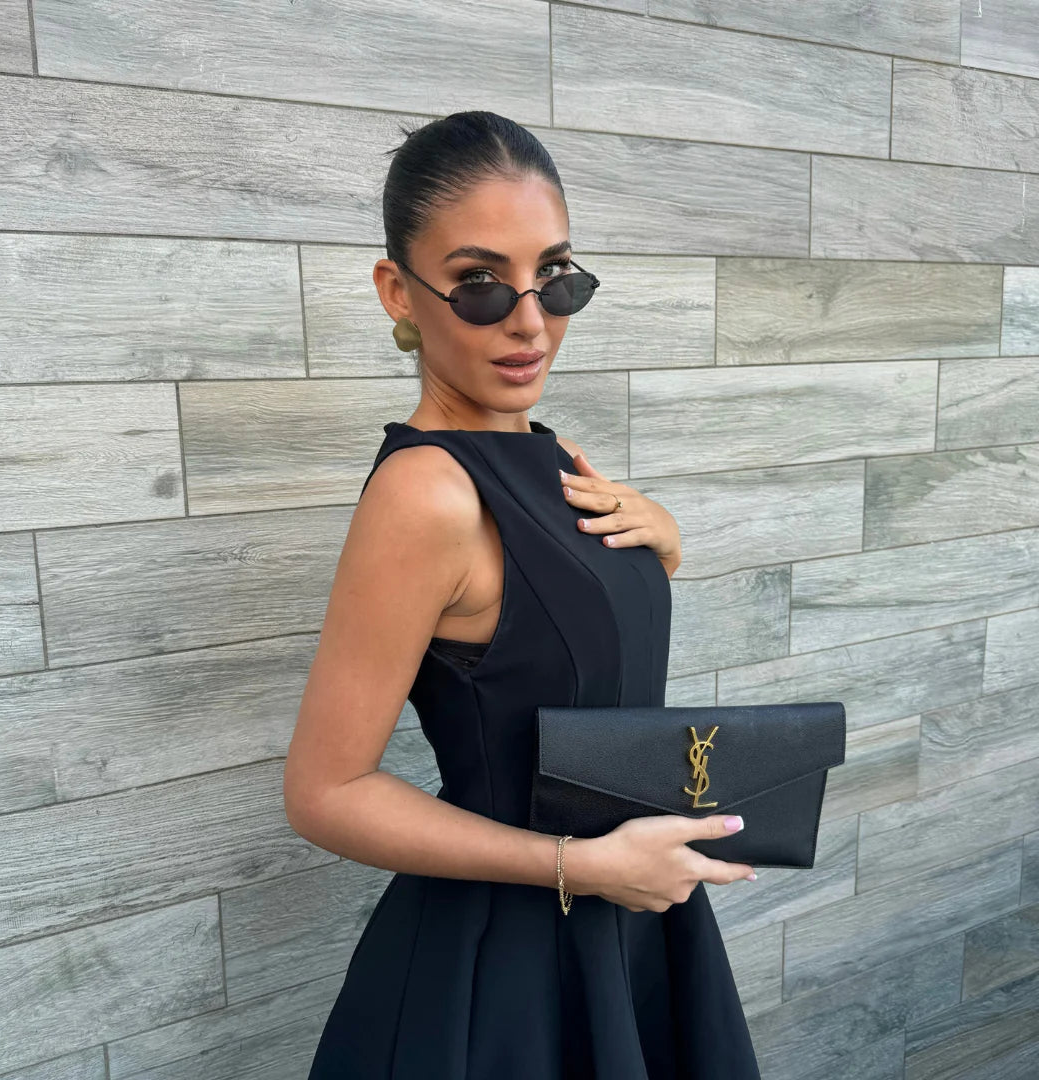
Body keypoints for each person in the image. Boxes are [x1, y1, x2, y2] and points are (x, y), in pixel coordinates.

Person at [283, 110, 762, 1079]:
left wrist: (662, 550)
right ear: (399, 292)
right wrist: (582, 866)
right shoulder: (427, 493)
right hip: (514, 962)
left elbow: (548, 653)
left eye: (556, 276)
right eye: (480, 284)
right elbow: (325, 793)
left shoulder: (551, 456)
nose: (531, 321)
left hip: (628, 913)